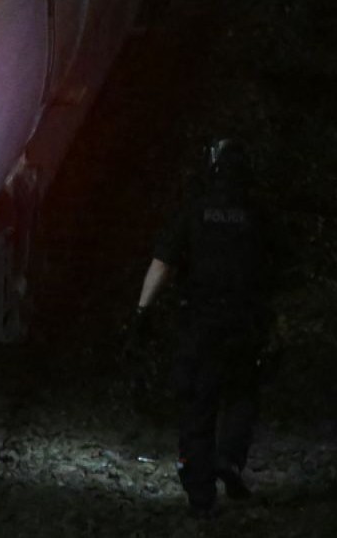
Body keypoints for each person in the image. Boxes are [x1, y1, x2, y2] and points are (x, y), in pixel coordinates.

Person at [132, 138, 280, 518]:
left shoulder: (193, 212)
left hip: (201, 322)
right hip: (246, 321)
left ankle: (200, 493)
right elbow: (276, 272)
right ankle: (229, 458)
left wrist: (142, 310)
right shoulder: (259, 215)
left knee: (198, 401)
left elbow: (162, 263)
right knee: (243, 392)